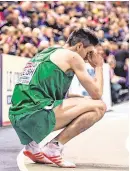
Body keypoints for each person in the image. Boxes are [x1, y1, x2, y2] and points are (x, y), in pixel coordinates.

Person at [9, 28, 106, 168]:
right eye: (89, 52)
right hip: (32, 115)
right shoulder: (73, 57)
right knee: (99, 107)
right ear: (79, 46)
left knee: (81, 101)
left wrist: (78, 100)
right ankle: (53, 148)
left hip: (17, 115)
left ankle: (32, 147)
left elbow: (44, 90)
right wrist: (98, 67)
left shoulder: (49, 51)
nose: (88, 57)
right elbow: (97, 94)